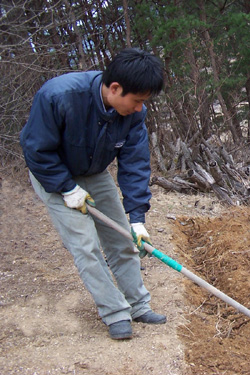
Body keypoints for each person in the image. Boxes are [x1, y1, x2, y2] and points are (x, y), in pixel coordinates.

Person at [20, 48, 166, 340]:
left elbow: (135, 163)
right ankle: (115, 312)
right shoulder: (59, 96)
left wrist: (137, 219)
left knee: (124, 237)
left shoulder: (134, 113)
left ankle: (138, 305)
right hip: (52, 173)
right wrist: (66, 187)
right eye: (136, 101)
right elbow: (36, 149)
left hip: (93, 173)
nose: (140, 108)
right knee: (85, 244)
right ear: (115, 88)